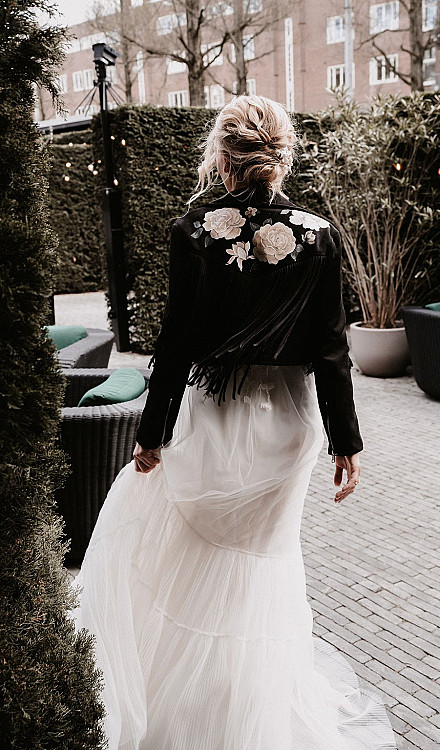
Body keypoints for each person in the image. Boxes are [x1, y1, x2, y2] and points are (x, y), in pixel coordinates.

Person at [70, 94, 397, 749]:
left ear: (221, 157)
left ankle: (195, 711)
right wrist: (346, 443)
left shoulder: (194, 230)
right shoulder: (319, 234)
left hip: (215, 415)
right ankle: (249, 710)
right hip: (289, 426)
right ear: (283, 156)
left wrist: (151, 435)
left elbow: (176, 344)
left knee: (192, 556)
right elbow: (331, 349)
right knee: (264, 567)